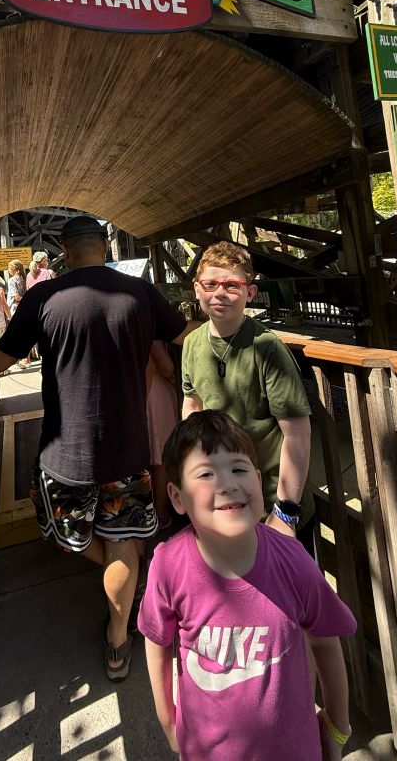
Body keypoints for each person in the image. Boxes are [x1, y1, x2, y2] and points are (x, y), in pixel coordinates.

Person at [0, 215, 200, 681]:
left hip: (66, 453)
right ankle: (118, 640)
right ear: (104, 245)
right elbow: (188, 334)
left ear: (64, 248)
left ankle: (130, 583)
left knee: (66, 531)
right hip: (129, 449)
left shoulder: (44, 296)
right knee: (124, 543)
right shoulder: (139, 293)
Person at [139, 410, 355, 761]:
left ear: (257, 479)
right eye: (206, 473)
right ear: (177, 497)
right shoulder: (168, 566)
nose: (227, 483)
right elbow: (157, 643)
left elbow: (326, 641)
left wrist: (337, 725)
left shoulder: (293, 561)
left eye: (239, 469)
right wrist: (168, 720)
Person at [182, 242, 315, 554]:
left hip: (271, 502)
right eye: (210, 284)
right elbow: (193, 407)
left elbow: (297, 433)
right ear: (197, 289)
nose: (220, 293)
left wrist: (285, 511)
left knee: (292, 597)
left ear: (250, 293)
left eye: (232, 284)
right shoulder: (191, 344)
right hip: (222, 498)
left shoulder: (266, 347)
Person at [146, 340, 179, 530]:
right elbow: (165, 366)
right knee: (161, 458)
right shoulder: (150, 325)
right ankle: (160, 513)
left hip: (138, 392)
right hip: (156, 393)